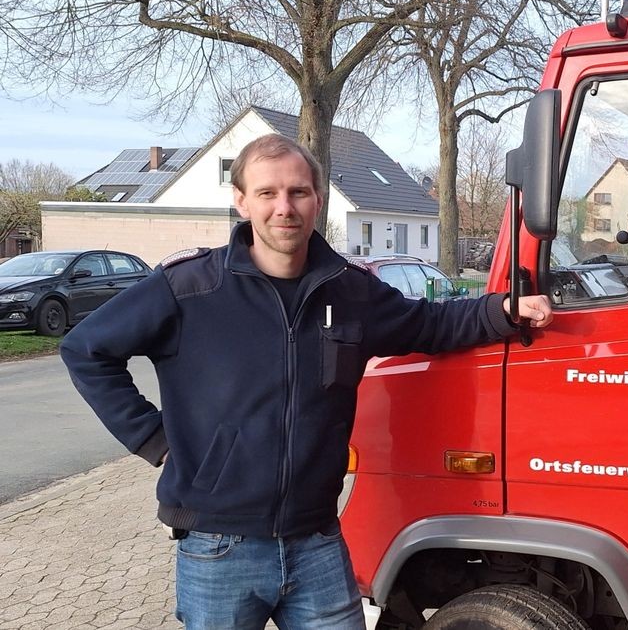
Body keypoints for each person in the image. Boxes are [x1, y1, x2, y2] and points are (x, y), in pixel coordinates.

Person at [60, 133, 553, 630]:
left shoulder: (350, 290)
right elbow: (86, 349)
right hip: (219, 549)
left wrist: (502, 311)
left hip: (316, 542)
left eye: (298, 192)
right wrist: (153, 437)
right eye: (267, 193)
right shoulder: (189, 287)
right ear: (241, 201)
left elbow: (428, 324)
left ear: (318, 198)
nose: (284, 208)